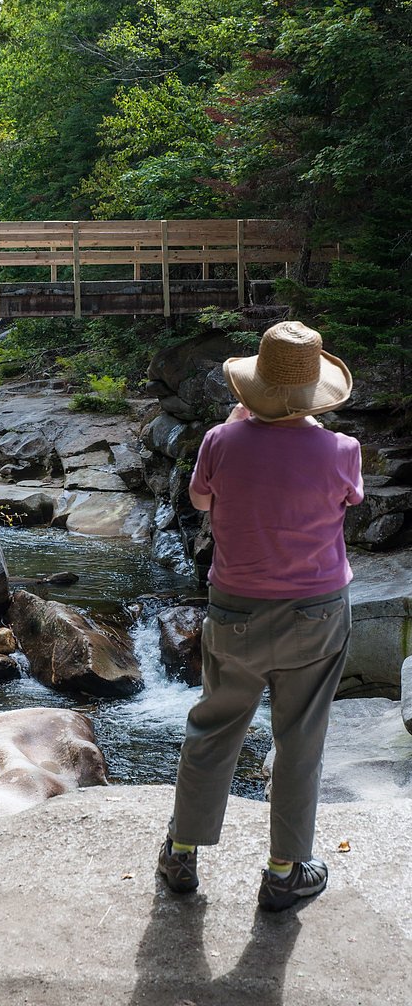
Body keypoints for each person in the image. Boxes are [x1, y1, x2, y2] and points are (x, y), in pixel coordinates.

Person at [158, 320, 364, 912]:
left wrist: (235, 427)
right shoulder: (342, 450)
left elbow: (201, 500)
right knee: (300, 739)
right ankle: (284, 871)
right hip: (318, 612)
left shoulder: (221, 441)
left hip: (235, 609)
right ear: (314, 394)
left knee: (213, 728)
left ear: (255, 388)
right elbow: (348, 498)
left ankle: (181, 853)